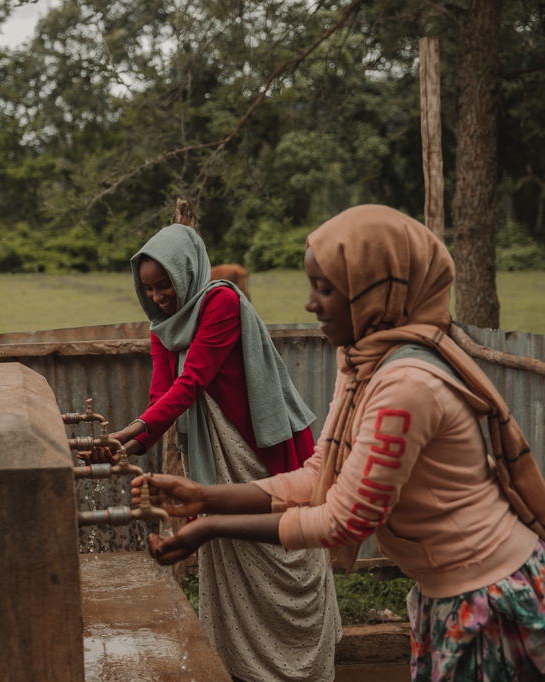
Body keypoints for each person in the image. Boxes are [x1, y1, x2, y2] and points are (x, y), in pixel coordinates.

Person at [136, 205, 545, 681]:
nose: (310, 303)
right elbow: (319, 474)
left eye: (325, 289)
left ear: (377, 292)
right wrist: (204, 497)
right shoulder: (362, 365)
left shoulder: (405, 385)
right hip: (446, 595)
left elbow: (343, 519)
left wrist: (212, 526)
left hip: (488, 602)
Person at [101, 223, 341, 681]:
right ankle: (246, 668)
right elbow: (161, 398)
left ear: (186, 271)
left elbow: (190, 383)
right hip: (215, 455)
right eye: (148, 289)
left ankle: (302, 666)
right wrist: (121, 443)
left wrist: (124, 434)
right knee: (230, 551)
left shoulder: (221, 302)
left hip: (257, 447)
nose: (157, 297)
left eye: (164, 284)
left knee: (283, 546)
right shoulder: (163, 328)